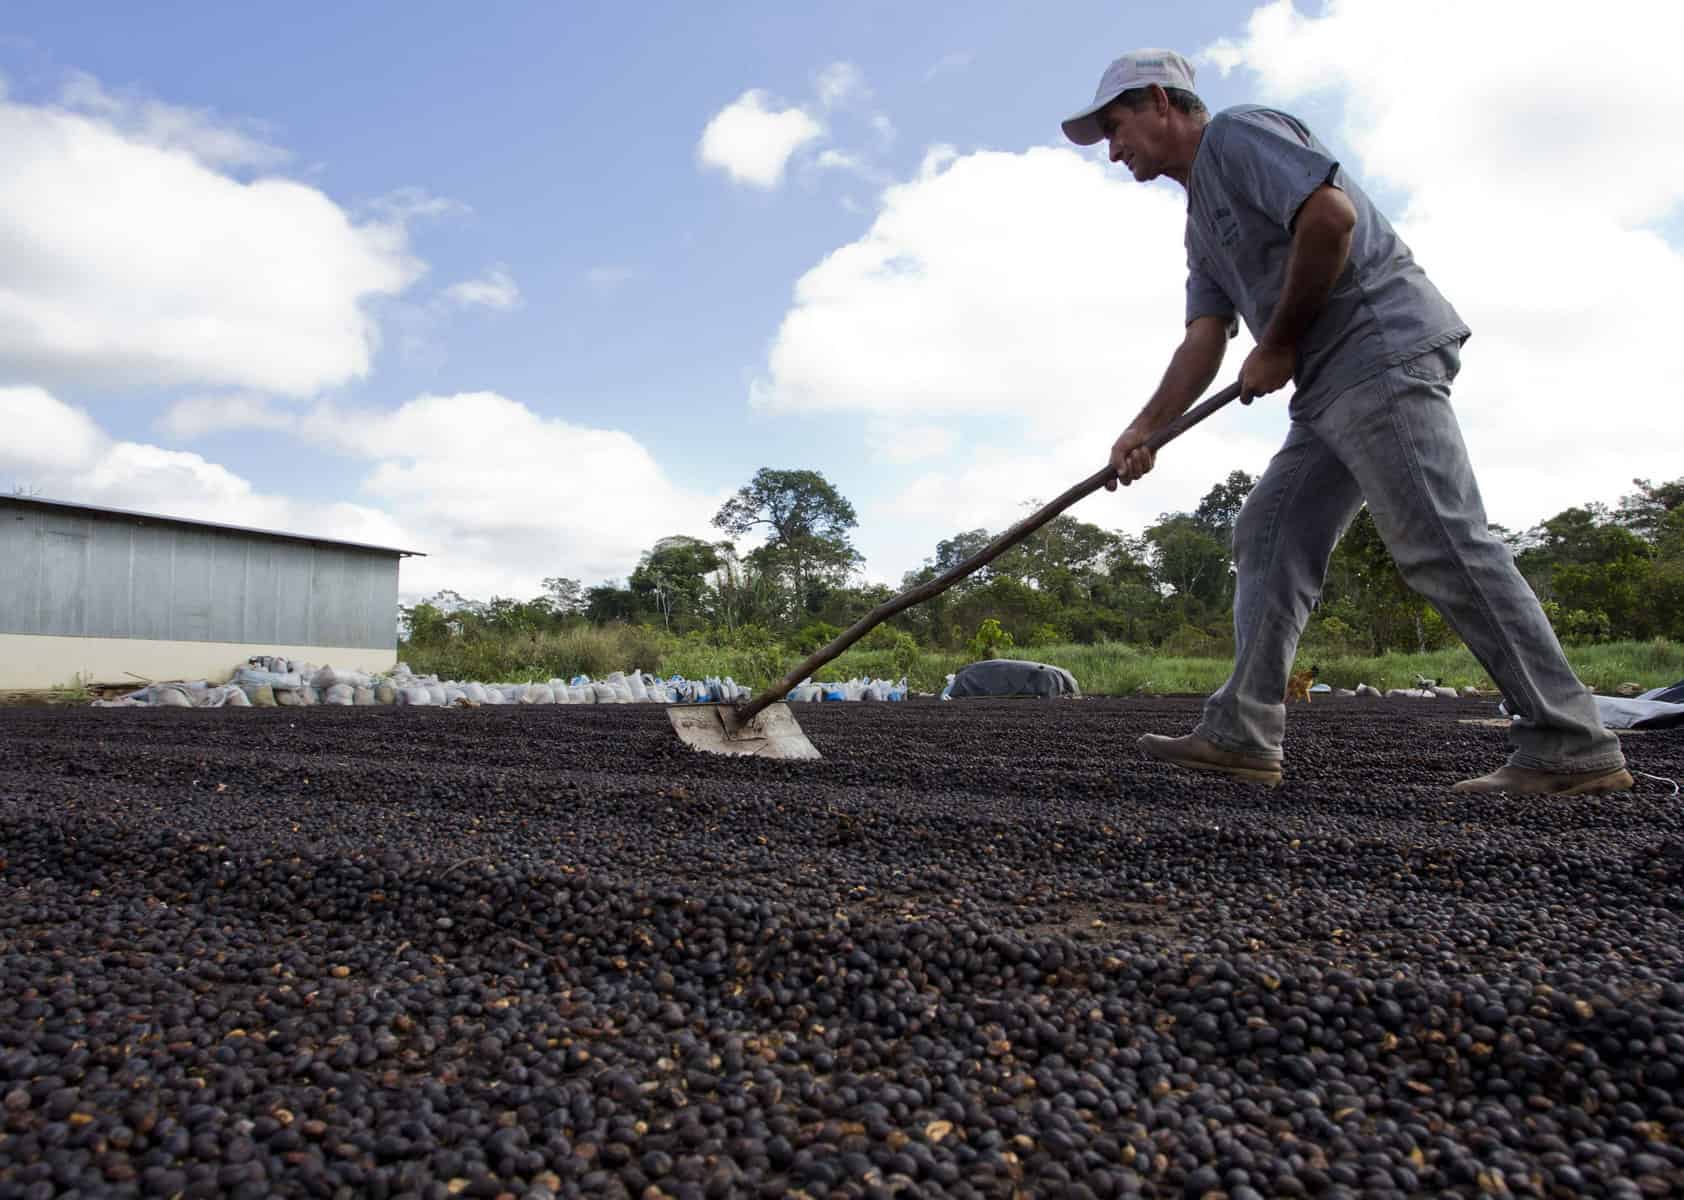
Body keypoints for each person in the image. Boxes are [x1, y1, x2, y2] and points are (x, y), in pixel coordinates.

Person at [1061, 49, 1631, 794]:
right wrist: (1145, 430)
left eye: (1117, 123)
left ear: (1164, 102)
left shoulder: (1239, 134)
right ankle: (1240, 732)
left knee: (1439, 540)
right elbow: (1205, 337)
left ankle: (1569, 741)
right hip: (1327, 384)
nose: (1114, 147)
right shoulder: (1202, 218)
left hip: (1378, 350)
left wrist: (1281, 342)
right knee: (1269, 530)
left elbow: (1330, 217)